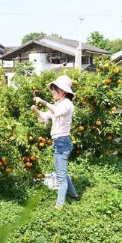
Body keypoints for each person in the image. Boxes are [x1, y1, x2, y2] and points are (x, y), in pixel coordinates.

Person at [31, 75, 80, 210]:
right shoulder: (57, 104)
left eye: (55, 89)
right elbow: (45, 117)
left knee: (60, 176)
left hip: (63, 142)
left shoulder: (67, 104)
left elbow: (56, 112)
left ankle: (59, 206)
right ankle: (75, 195)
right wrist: (36, 111)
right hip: (59, 142)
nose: (52, 92)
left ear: (63, 91)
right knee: (62, 172)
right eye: (52, 89)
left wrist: (43, 102)